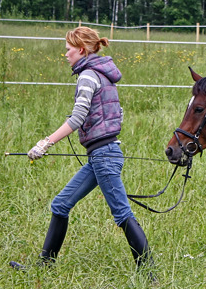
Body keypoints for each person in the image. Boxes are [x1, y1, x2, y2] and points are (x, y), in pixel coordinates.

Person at [10, 26, 152, 273]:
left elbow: (76, 119)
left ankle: (149, 275)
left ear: (82, 50)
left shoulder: (88, 75)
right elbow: (112, 113)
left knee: (121, 213)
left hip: (104, 156)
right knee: (60, 205)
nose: (65, 54)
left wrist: (45, 143)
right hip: (101, 155)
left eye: (68, 50)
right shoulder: (103, 74)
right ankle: (44, 267)